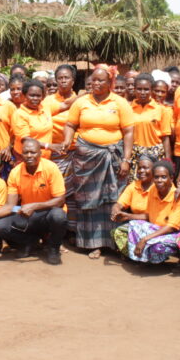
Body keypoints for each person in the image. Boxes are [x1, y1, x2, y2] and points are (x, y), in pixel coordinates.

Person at [61, 66, 134, 258]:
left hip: (113, 157)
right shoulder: (81, 102)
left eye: (101, 80)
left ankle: (114, 242)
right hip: (86, 158)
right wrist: (67, 139)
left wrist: (126, 159)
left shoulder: (120, 102)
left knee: (112, 198)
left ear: (110, 82)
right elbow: (70, 125)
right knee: (88, 200)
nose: (96, 84)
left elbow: (128, 132)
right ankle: (93, 244)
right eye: (94, 80)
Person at [0, 138, 66, 264]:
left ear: (40, 153)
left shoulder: (51, 168)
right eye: (26, 152)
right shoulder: (15, 172)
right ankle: (29, 243)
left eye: (33, 152)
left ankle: (53, 248)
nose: (29, 155)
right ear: (21, 154)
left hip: (48, 213)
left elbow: (60, 200)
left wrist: (35, 206)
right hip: (28, 215)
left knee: (59, 216)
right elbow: (10, 205)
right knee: (0, 226)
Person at [122, 160, 180, 264]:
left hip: (175, 233)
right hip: (157, 229)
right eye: (156, 177)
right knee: (133, 224)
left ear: (171, 178)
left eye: (163, 177)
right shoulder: (153, 189)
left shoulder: (178, 196)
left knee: (157, 247)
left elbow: (171, 227)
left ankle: (177, 257)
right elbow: (149, 216)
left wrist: (145, 239)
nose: (159, 180)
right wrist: (127, 216)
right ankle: (142, 258)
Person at [111, 153, 158, 257]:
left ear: (154, 170)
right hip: (136, 226)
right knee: (117, 232)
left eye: (145, 168)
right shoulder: (134, 186)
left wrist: (128, 216)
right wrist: (116, 210)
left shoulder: (159, 187)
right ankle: (135, 256)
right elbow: (120, 203)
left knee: (135, 227)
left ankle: (148, 257)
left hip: (156, 227)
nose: (141, 171)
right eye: (140, 168)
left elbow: (153, 216)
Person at [129, 72, 172, 173]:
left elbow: (165, 137)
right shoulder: (128, 109)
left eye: (146, 89)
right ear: (134, 89)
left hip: (156, 154)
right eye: (139, 89)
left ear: (151, 90)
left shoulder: (161, 110)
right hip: (135, 154)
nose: (142, 92)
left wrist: (168, 160)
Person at [43, 64, 78, 175]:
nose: (63, 81)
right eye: (60, 78)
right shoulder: (47, 101)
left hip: (77, 151)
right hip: (56, 151)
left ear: (73, 81)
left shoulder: (82, 102)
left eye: (66, 78)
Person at [11, 79, 53, 163]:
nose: (35, 98)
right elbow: (26, 140)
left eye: (38, 96)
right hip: (27, 160)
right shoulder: (19, 114)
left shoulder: (45, 108)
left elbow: (64, 105)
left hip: (45, 159)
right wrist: (49, 146)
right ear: (24, 96)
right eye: (32, 95)